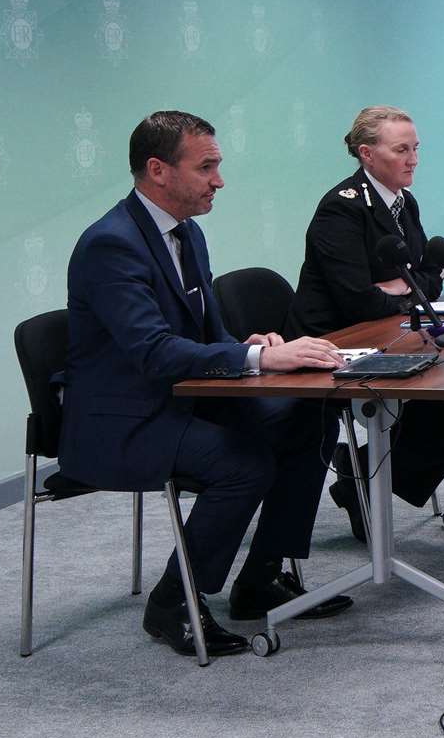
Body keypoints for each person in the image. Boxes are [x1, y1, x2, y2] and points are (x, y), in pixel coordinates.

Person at [63, 111, 352, 659]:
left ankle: (260, 578)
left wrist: (252, 343)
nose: (219, 180)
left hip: (184, 397)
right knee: (243, 464)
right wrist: (259, 357)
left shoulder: (186, 233)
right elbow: (152, 351)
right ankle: (173, 603)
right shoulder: (111, 244)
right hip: (125, 418)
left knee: (309, 416)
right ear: (158, 171)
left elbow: (203, 334)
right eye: (207, 167)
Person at [293, 105, 444, 542]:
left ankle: (362, 476)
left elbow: (428, 280)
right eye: (401, 149)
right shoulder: (340, 209)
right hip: (333, 345)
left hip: (390, 337)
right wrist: (400, 291)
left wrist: (397, 289)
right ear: (367, 154)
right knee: (443, 423)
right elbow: (357, 302)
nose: (413, 159)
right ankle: (363, 483)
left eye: (416, 148)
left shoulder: (404, 202)